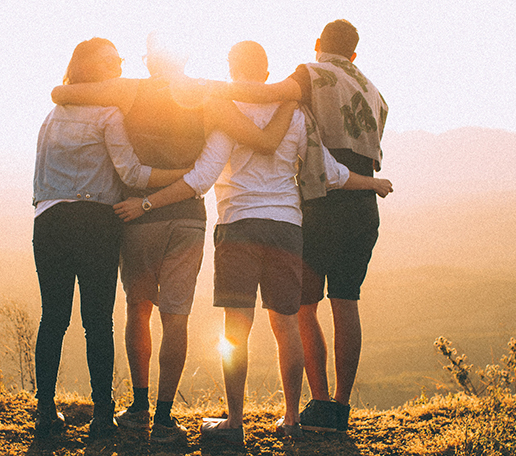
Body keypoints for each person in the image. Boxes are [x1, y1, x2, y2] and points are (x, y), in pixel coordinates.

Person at [113, 40, 391, 445]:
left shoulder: (226, 112)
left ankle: (235, 422)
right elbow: (330, 172)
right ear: (266, 72)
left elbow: (202, 178)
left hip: (238, 226)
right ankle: (292, 419)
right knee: (286, 326)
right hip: (286, 228)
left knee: (235, 331)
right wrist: (373, 183)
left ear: (231, 68)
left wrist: (148, 201)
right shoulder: (295, 114)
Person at [50, 33, 295, 443]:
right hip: (187, 218)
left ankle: (139, 405)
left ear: (149, 62)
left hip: (137, 215)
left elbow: (62, 93)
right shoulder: (207, 97)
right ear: (185, 57)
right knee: (175, 317)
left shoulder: (128, 92)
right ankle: (164, 417)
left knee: (138, 308)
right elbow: (263, 140)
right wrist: (290, 99)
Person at [213, 20, 391, 432]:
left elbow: (266, 93)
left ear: (317, 45)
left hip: (321, 200)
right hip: (362, 203)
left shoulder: (311, 74)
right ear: (355, 54)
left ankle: (319, 403)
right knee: (346, 302)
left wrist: (207, 90)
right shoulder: (375, 92)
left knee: (303, 308)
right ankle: (340, 409)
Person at [31, 37, 189, 440]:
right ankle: (102, 415)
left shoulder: (52, 115)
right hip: (95, 222)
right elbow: (133, 175)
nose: (119, 64)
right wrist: (184, 176)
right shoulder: (108, 114)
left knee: (53, 318)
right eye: (111, 60)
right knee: (97, 322)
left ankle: (45, 413)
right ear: (92, 68)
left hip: (48, 221)